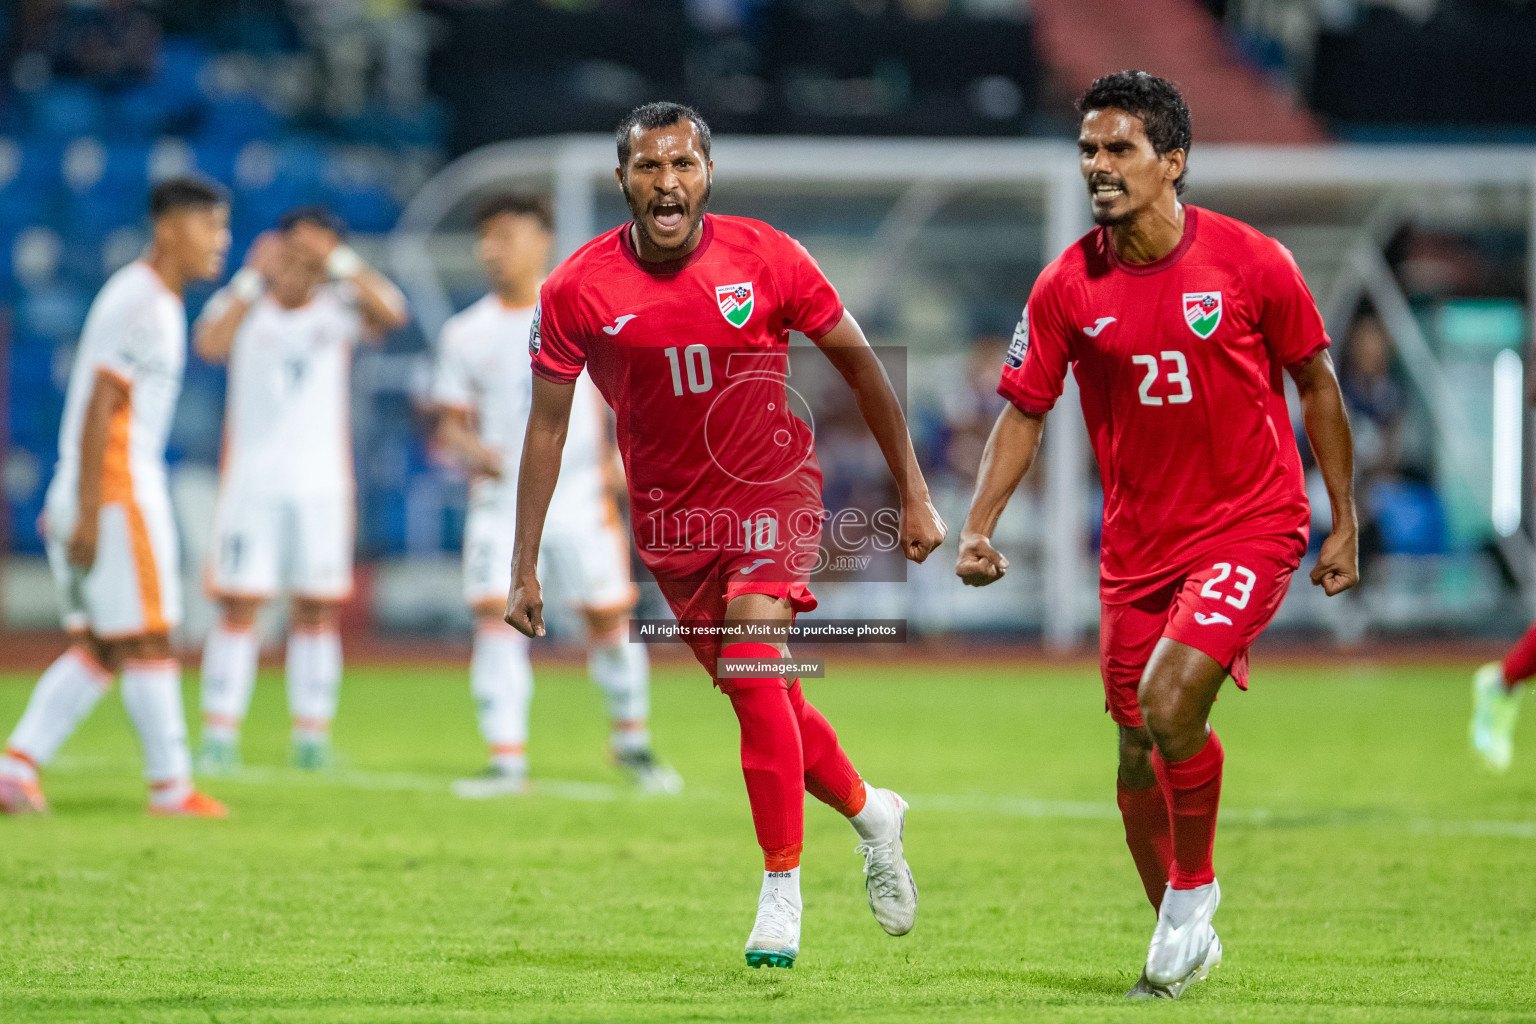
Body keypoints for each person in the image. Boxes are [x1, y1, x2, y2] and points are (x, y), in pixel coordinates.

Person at [505, 102, 947, 968]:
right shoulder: (575, 291)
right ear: (622, 178)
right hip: (673, 522)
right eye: (648, 168)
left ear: (709, 172)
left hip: (771, 492)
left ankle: (781, 888)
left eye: (683, 165)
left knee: (753, 658)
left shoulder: (770, 256)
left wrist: (915, 493)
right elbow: (548, 428)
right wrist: (520, 564)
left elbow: (861, 365)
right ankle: (871, 812)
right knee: (765, 693)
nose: (667, 184)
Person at [956, 71, 1358, 999]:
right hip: (1137, 547)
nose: (1099, 166)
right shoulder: (1064, 285)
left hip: (1252, 525)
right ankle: (1183, 936)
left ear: (1173, 161)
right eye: (1090, 150)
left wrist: (1344, 519)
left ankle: (1190, 895)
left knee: (1171, 703)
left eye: (1120, 149)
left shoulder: (1254, 263)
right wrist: (979, 526)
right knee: (1137, 744)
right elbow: (1023, 411)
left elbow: (1318, 385)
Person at [431, 193, 681, 797]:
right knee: (496, 620)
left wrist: (632, 462)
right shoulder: (465, 332)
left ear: (541, 241)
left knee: (608, 622)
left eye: (507, 235)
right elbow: (448, 425)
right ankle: (505, 758)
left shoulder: (587, 313)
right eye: (487, 238)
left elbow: (635, 398)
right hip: (501, 506)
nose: (494, 249)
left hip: (579, 499)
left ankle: (632, 742)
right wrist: (475, 453)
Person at [0, 177, 234, 817]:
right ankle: (170, 788)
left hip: (93, 486)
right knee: (151, 637)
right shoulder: (145, 303)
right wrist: (91, 504)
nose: (222, 241)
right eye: (210, 226)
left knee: (102, 647)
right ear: (168, 228)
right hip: (117, 486)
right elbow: (104, 402)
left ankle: (14, 768)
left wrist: (73, 497)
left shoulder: (140, 296)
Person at [194, 206, 408, 772]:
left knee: (316, 610)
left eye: (312, 253)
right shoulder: (245, 308)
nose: (299, 264)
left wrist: (336, 258)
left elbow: (394, 312)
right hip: (251, 486)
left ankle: (311, 737)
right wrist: (249, 276)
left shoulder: (338, 311)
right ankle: (219, 735)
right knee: (240, 607)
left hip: (321, 488)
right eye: (293, 249)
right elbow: (209, 344)